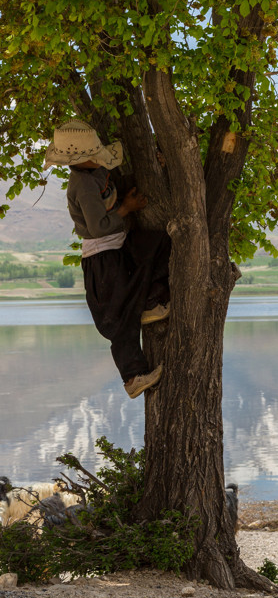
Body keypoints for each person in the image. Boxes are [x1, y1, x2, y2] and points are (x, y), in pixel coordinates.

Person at [44, 119, 171, 398]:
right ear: (80, 160)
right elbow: (98, 226)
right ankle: (133, 377)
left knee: (158, 245)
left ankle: (150, 302)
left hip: (116, 246)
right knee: (119, 320)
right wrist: (126, 207)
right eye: (94, 156)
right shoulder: (83, 185)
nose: (100, 159)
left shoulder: (96, 172)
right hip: (103, 258)